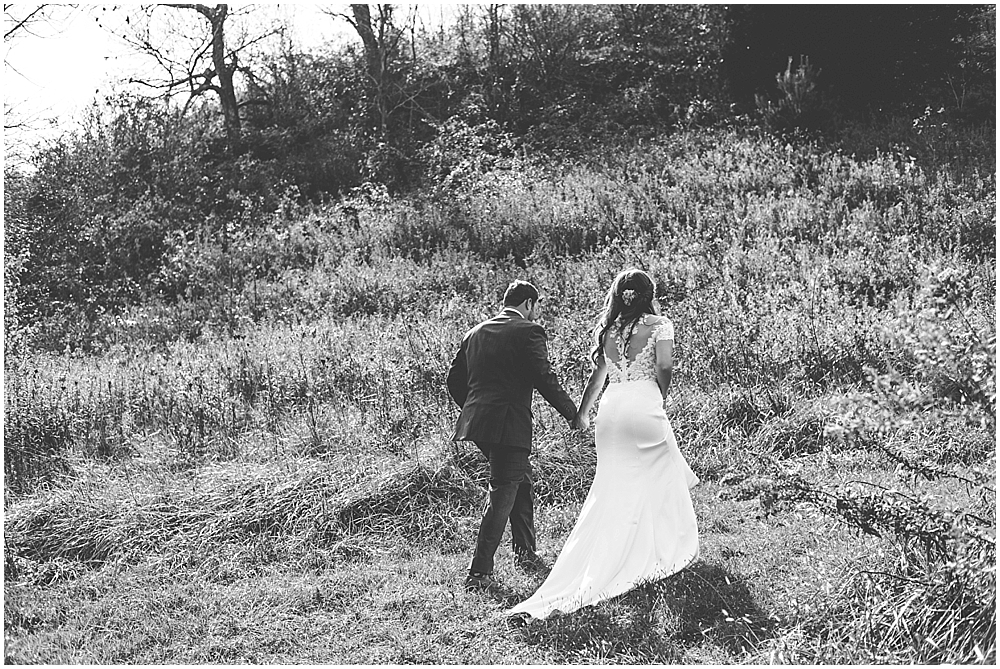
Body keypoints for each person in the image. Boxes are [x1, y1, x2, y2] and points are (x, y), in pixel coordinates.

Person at [506, 268, 700, 621]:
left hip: (610, 412)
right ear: (648, 293)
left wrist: (582, 414)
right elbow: (665, 366)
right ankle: (665, 549)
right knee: (665, 472)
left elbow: (597, 380)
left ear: (619, 295)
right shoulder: (661, 325)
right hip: (642, 404)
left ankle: (619, 547)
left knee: (613, 485)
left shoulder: (608, 329)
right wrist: (660, 394)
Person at [447, 280, 579, 594]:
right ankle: (479, 573)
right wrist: (573, 414)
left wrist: (474, 408)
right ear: (528, 303)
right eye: (539, 304)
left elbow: (454, 380)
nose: (539, 311)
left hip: (478, 424)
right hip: (508, 425)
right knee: (503, 491)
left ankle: (526, 552)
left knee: (521, 481)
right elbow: (544, 377)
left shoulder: (475, 333)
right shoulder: (528, 332)